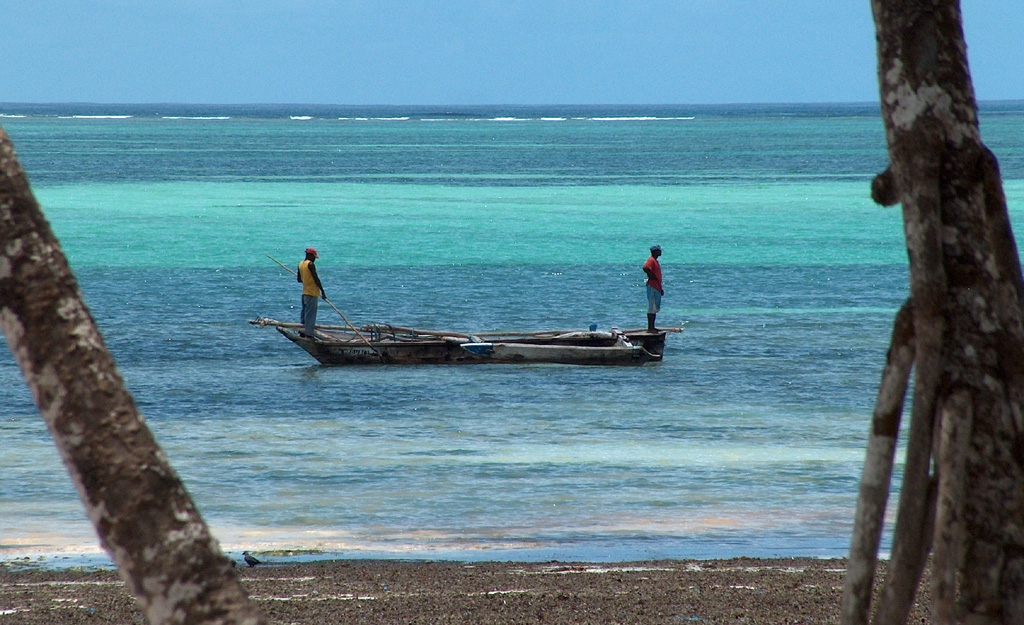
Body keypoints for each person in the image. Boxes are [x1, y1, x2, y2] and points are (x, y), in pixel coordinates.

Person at [297, 247, 326, 339]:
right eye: (314, 257)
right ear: (310, 255)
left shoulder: (300, 264)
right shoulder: (310, 265)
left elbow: (299, 280)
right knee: (310, 315)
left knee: (304, 313)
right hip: (312, 293)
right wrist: (322, 291)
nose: (314, 259)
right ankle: (309, 335)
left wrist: (306, 280)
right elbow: (316, 278)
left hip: (304, 293)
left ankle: (302, 332)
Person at [643, 244, 663, 332]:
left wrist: (660, 288)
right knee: (651, 306)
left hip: (656, 287)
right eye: (659, 250)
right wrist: (651, 276)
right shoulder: (651, 260)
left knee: (654, 308)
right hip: (652, 286)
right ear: (655, 252)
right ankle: (650, 328)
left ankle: (652, 327)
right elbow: (645, 267)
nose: (661, 252)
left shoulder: (655, 261)